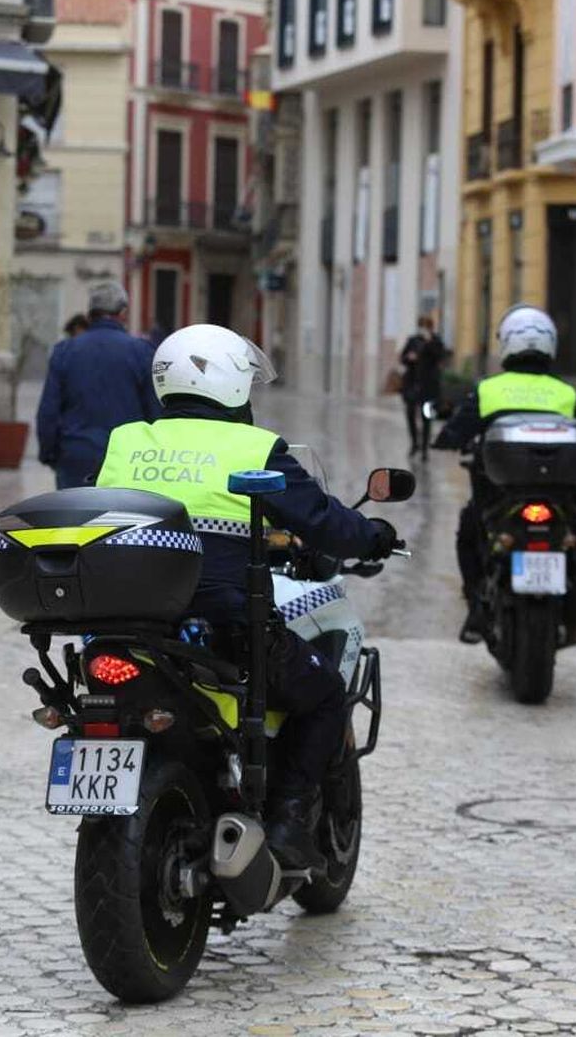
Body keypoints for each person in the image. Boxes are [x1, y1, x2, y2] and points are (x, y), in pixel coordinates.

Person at [95, 323, 402, 872]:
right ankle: (286, 824)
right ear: (236, 385)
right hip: (225, 630)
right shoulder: (255, 448)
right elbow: (324, 521)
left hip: (130, 627)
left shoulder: (126, 440)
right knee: (327, 694)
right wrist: (374, 534)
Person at [433, 305, 576, 645]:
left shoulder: (488, 391)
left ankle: (475, 608)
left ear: (507, 345)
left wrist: (443, 439)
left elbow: (454, 433)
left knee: (468, 533)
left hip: (499, 499)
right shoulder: (566, 393)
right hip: (559, 499)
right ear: (550, 345)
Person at [36, 281, 161, 489]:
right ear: (122, 313)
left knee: (74, 519)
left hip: (75, 455)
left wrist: (49, 454)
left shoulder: (65, 351)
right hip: (128, 459)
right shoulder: (142, 352)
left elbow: (48, 410)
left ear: (90, 314)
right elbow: (154, 411)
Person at [399, 316, 447, 461]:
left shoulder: (436, 341)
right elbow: (402, 358)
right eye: (421, 326)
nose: (423, 329)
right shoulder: (412, 340)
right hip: (412, 384)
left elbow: (439, 356)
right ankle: (414, 443)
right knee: (410, 414)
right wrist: (409, 358)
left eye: (426, 326)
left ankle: (425, 448)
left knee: (427, 416)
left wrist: (429, 342)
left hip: (429, 386)